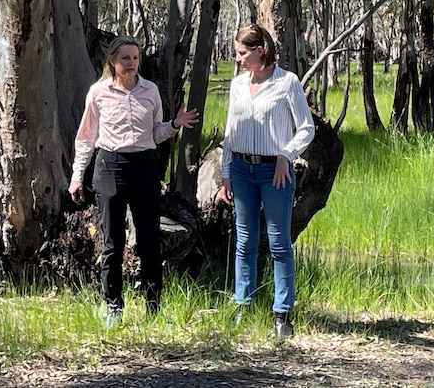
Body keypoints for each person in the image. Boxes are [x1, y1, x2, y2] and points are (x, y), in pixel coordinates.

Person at [69, 36, 200, 327]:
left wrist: (175, 125)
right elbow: (86, 138)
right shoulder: (98, 93)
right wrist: (78, 176)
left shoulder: (150, 91)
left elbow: (154, 133)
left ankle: (154, 307)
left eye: (135, 58)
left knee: (150, 240)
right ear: (113, 62)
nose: (131, 64)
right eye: (125, 58)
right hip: (109, 167)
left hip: (144, 167)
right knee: (113, 242)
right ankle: (113, 307)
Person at [217, 24, 315, 338]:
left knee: (278, 243)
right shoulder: (236, 85)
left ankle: (282, 314)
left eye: (243, 53)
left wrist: (287, 155)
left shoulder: (287, 83)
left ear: (261, 50)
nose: (238, 59)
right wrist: (226, 174)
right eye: (237, 53)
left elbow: (306, 128)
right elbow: (230, 132)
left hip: (276, 172)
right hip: (243, 171)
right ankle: (243, 306)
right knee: (245, 242)